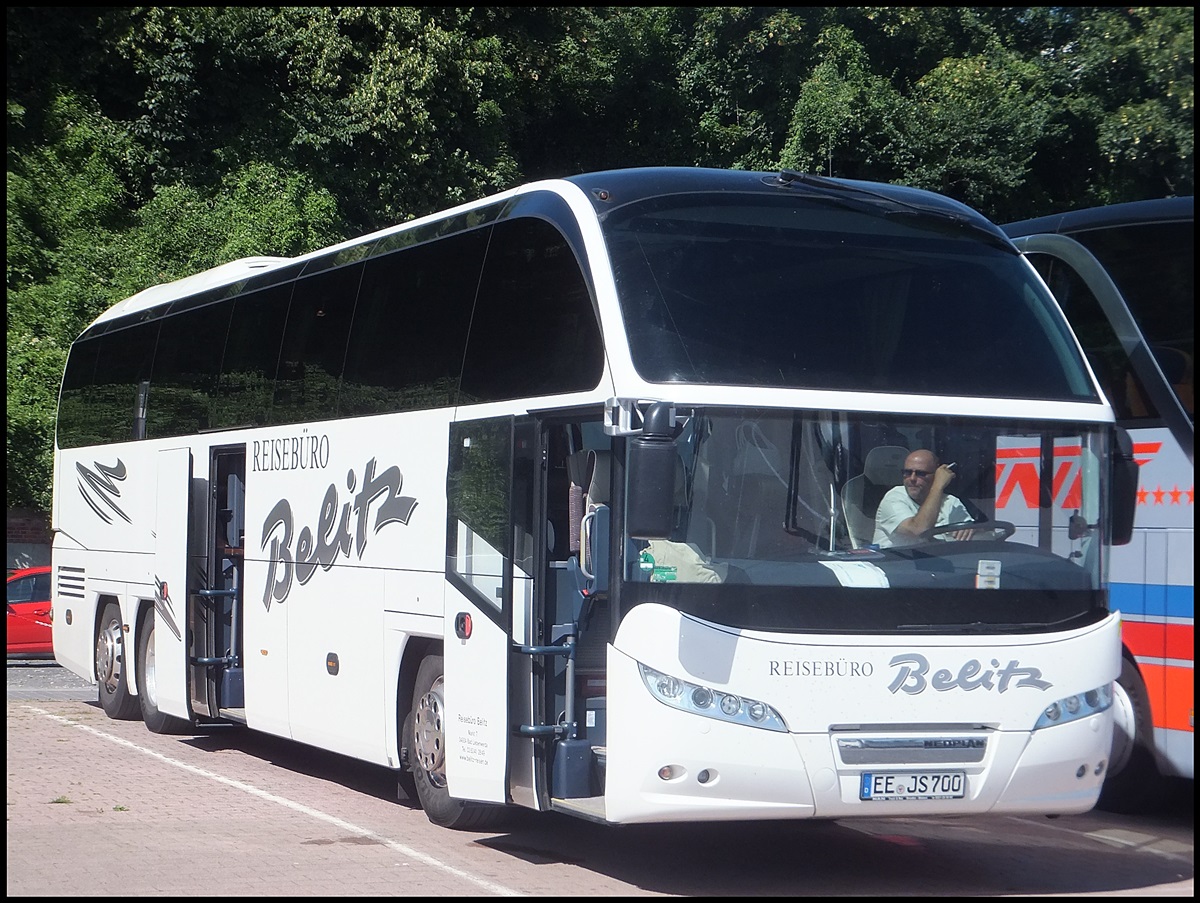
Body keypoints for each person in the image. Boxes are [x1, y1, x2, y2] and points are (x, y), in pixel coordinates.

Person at [873, 449, 974, 548]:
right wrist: (938, 486)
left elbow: (974, 532)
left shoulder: (951, 502)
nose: (912, 478)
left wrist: (972, 529)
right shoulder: (893, 498)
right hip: (895, 562)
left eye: (920, 473)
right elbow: (918, 530)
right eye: (907, 472)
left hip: (937, 561)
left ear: (936, 475)